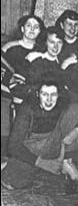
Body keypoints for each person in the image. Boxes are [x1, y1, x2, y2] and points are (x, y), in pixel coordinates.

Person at [8, 79, 78, 181]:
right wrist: (41, 163)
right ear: (37, 94)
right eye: (44, 94)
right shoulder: (27, 109)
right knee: (14, 181)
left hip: (55, 143)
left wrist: (77, 130)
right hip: (33, 148)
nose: (49, 100)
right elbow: (13, 146)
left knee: (76, 109)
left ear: (59, 94)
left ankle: (67, 163)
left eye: (53, 95)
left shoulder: (62, 102)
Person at [2, 15, 44, 156]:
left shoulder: (42, 51)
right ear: (22, 28)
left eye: (36, 27)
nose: (32, 29)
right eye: (28, 25)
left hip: (33, 94)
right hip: (8, 92)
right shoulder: (9, 48)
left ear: (40, 31)